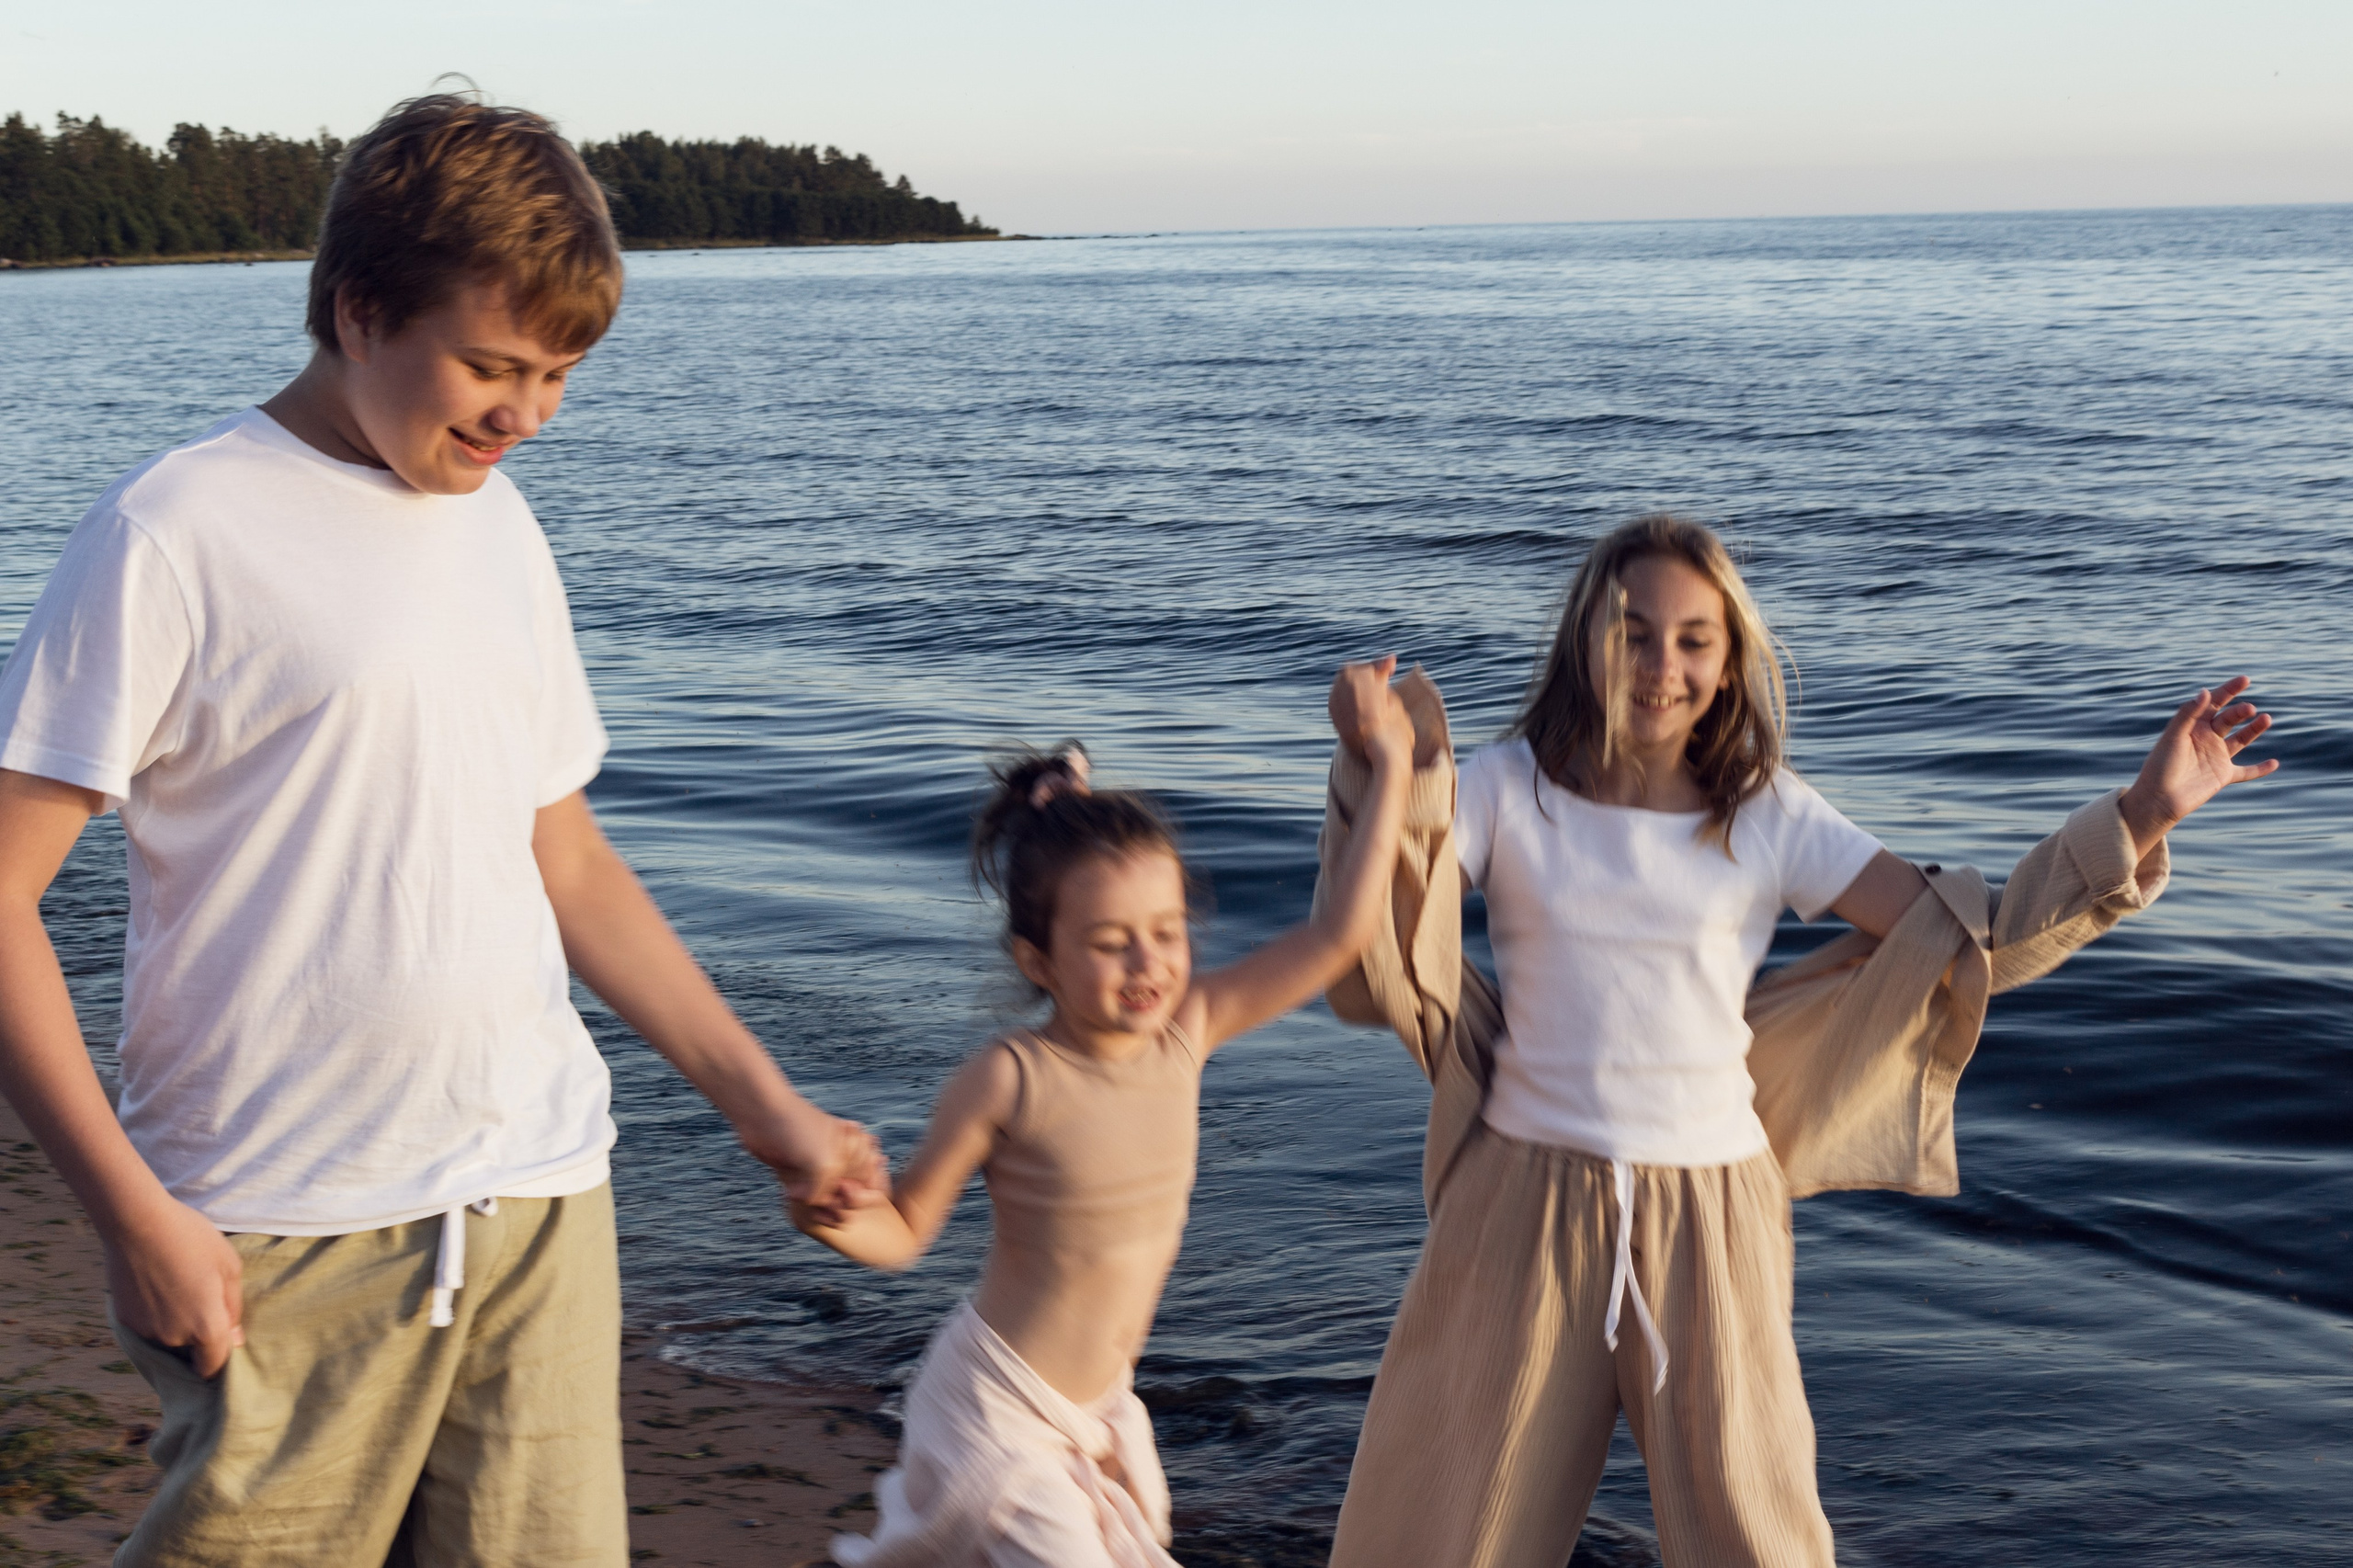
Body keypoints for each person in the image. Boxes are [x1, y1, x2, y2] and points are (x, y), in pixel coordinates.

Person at [0, 94, 881, 1567]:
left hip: (538, 1196)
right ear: (358, 311)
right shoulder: (177, 531)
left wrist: (765, 1106)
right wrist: (131, 1215)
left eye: (560, 374)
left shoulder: (500, 526)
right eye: (490, 363)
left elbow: (571, 860)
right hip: (278, 1225)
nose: (525, 413)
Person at [1318, 514, 2278, 1568]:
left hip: (1715, 1211)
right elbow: (1373, 937)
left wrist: (2142, 812)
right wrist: (1377, 765)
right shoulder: (1505, 788)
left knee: (1759, 1538)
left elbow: (1965, 943)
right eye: (1633, 630)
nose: (1660, 665)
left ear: (1730, 663)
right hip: (1520, 1205)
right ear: (1585, 635)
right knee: (1448, 1530)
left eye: (1693, 639)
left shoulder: (1763, 814)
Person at [794, 665, 1416, 1568]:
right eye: (1107, 941)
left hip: (1096, 1407)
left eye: (1165, 931)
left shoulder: (1188, 1029)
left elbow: (1335, 937)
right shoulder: (1010, 1075)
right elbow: (904, 1231)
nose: (1147, 962)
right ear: (1036, 959)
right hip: (996, 1408)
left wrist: (1387, 760)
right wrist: (832, 1215)